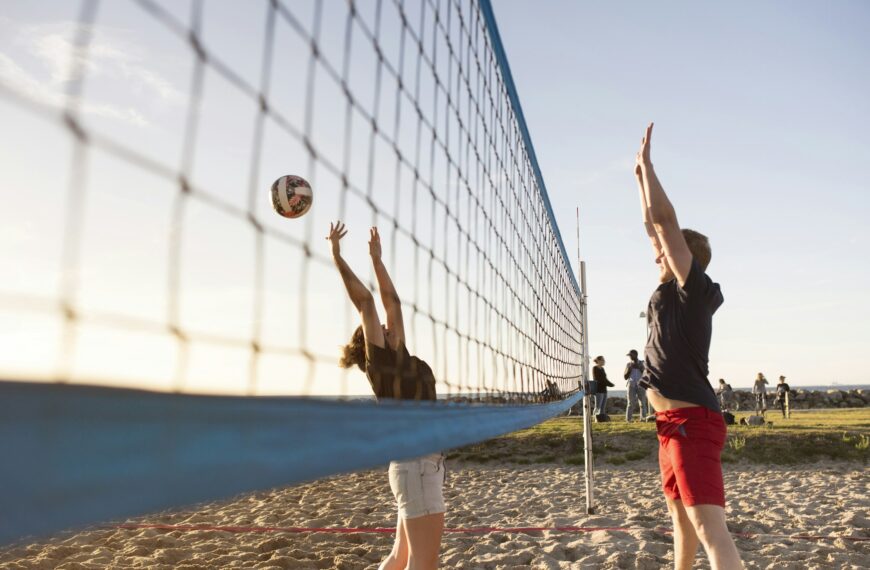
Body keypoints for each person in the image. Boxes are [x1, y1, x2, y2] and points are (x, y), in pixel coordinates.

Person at [632, 124, 744, 569]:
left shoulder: (691, 288)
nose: (656, 253)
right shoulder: (671, 289)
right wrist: (640, 177)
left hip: (691, 422)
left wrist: (653, 168)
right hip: (669, 425)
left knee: (710, 529)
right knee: (680, 522)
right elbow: (651, 225)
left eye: (665, 251)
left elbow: (665, 223)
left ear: (684, 258)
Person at [328, 222, 443, 570]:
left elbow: (391, 302)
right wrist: (336, 255)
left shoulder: (401, 356)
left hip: (417, 466)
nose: (390, 325)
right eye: (381, 328)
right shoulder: (381, 364)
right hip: (416, 465)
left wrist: (377, 259)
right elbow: (367, 302)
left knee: (402, 557)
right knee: (423, 564)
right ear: (372, 340)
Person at [624, 349, 648, 421]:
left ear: (636, 355)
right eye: (629, 356)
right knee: (630, 403)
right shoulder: (628, 364)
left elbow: (646, 374)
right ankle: (628, 419)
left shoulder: (642, 363)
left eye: (631, 355)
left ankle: (643, 418)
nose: (630, 357)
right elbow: (625, 377)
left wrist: (639, 367)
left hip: (641, 385)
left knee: (642, 403)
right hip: (631, 385)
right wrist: (629, 369)